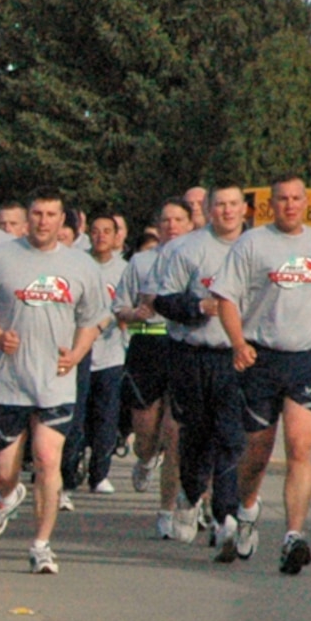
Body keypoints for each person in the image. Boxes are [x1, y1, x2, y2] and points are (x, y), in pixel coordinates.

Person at [211, 174, 311, 575]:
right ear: (270, 206)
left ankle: (294, 535)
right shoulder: (252, 244)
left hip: (308, 358)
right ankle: (246, 510)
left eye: (296, 199)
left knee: (299, 448)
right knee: (257, 452)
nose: (289, 205)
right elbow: (225, 297)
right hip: (261, 358)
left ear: (304, 202)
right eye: (282, 199)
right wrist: (238, 342)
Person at [0, 188, 108, 575]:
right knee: (4, 472)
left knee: (47, 459)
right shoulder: (0, 257)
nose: (43, 221)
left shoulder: (81, 266)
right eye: (37, 214)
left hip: (55, 380)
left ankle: (41, 544)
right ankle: (8, 497)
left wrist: (77, 354)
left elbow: (94, 318)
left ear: (64, 221)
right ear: (28, 218)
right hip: (8, 380)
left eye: (51, 215)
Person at [150, 185, 249, 550]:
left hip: (236, 356)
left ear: (244, 208)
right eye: (219, 205)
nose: (226, 211)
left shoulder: (254, 249)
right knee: (196, 435)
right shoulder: (186, 249)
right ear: (207, 210)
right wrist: (197, 307)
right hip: (192, 354)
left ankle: (226, 516)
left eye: (233, 204)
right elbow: (163, 300)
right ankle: (190, 495)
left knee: (232, 437)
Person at [125, 200, 193, 533]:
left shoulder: (197, 257)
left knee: (175, 432)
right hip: (146, 348)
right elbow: (118, 307)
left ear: (191, 224)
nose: (172, 226)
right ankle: (145, 457)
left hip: (182, 346)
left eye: (179, 219)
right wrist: (132, 312)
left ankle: (167, 510)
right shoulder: (141, 262)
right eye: (165, 220)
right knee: (147, 433)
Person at [62, 213, 128, 497]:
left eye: (107, 231)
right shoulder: (76, 264)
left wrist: (127, 316)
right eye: (96, 231)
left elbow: (132, 306)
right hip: (78, 354)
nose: (101, 236)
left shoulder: (125, 269)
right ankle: (69, 472)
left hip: (111, 355)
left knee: (106, 417)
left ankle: (100, 473)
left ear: (117, 237)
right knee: (75, 418)